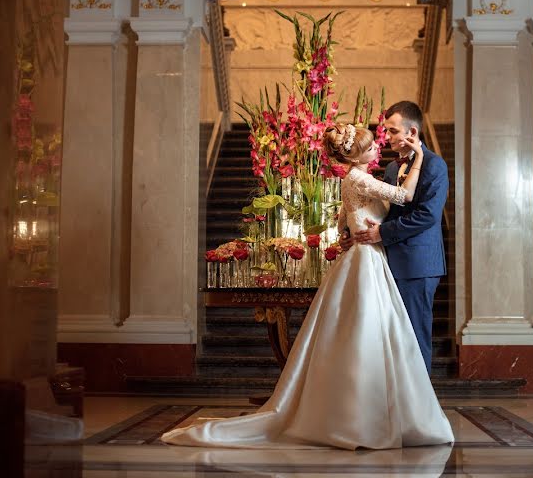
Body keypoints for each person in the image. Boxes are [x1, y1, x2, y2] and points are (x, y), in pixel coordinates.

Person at [161, 124, 453, 450]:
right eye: (371, 147)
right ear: (355, 154)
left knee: (365, 334)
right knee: (364, 335)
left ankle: (366, 412)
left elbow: (342, 220)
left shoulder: (354, 180)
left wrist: (347, 232)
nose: (377, 150)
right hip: (366, 261)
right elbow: (405, 196)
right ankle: (358, 418)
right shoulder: (360, 178)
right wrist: (419, 157)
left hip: (365, 258)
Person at [347, 101, 449, 374]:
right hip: (390, 261)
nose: (386, 137)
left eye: (392, 131)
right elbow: (387, 210)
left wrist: (381, 232)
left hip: (418, 264)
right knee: (395, 337)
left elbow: (427, 215)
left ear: (412, 133)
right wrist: (358, 231)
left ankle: (420, 407)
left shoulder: (435, 166)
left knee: (415, 334)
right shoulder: (392, 169)